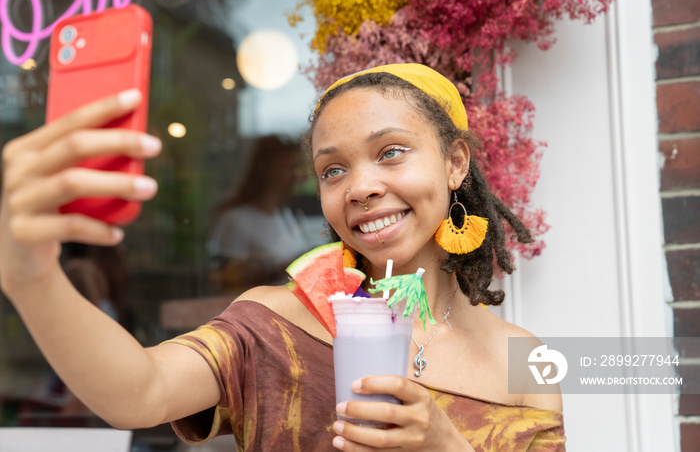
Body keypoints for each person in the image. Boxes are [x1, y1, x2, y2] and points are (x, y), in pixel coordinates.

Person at [0, 63, 564, 451]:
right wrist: (31, 278)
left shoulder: (524, 361)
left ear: (455, 163)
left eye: (391, 152)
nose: (360, 187)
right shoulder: (274, 324)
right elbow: (138, 390)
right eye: (333, 170)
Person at [207, 135, 314, 292]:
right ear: (267, 169)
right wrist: (276, 271)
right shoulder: (235, 220)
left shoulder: (285, 214)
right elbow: (228, 283)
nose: (297, 176)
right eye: (289, 167)